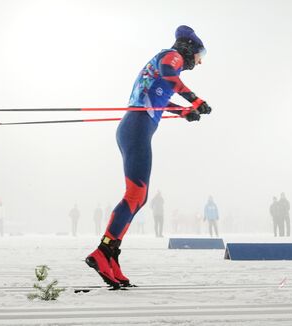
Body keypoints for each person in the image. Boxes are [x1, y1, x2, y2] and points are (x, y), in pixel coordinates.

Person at [85, 25, 211, 289]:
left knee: (139, 198)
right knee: (135, 195)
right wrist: (195, 100)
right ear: (190, 47)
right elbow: (169, 78)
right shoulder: (173, 56)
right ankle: (102, 251)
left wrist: (183, 112)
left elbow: (159, 95)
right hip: (137, 127)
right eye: (200, 55)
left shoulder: (167, 60)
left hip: (136, 126)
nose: (199, 62)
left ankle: (111, 254)